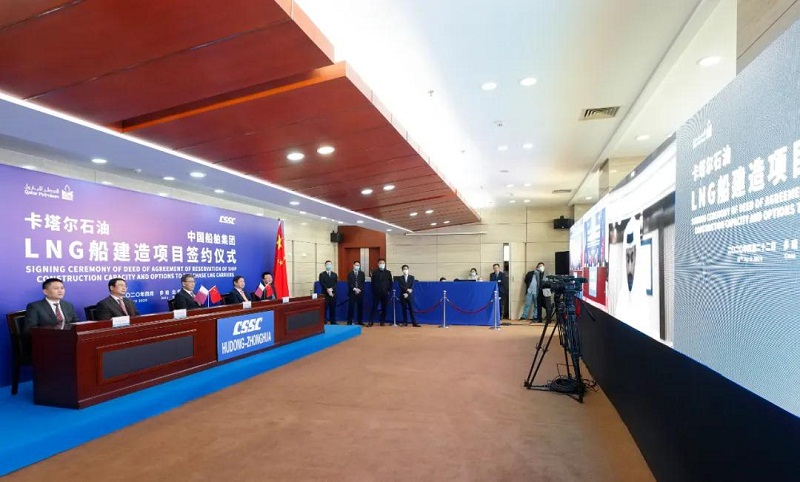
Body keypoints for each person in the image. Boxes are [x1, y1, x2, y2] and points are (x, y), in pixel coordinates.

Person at [368, 259, 392, 327]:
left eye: (383, 263)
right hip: (376, 293)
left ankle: (382, 322)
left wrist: (388, 291)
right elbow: (372, 283)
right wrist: (373, 291)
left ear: (385, 264)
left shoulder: (388, 272)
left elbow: (390, 283)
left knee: (384, 308)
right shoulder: (375, 272)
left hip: (385, 293)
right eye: (380, 263)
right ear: (378, 264)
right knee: (374, 307)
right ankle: (371, 321)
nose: (382, 264)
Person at [347, 261, 365, 325]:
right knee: (351, 307)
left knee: (360, 307)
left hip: (360, 293)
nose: (357, 266)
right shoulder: (350, 274)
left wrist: (359, 289)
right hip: (352, 293)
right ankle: (349, 321)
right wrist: (355, 289)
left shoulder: (362, 274)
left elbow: (363, 283)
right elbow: (349, 283)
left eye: (358, 265)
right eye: (356, 265)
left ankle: (360, 321)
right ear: (353, 265)